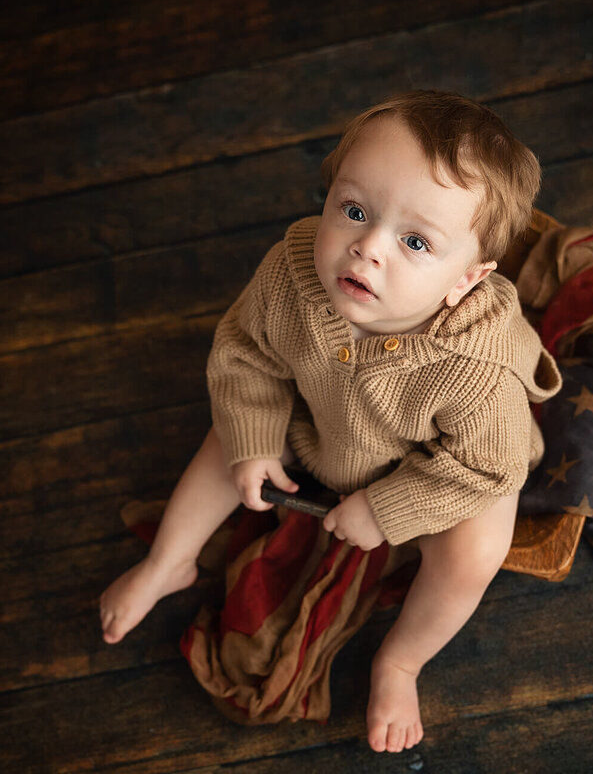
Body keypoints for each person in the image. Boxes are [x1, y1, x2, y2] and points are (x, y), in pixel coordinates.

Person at [99, 91, 561, 753]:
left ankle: (400, 663)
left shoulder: (474, 367)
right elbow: (244, 356)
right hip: (322, 426)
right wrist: (254, 441)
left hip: (445, 471)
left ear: (468, 278)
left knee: (474, 553)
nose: (367, 247)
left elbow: (489, 466)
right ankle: (168, 561)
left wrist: (388, 507)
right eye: (353, 210)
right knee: (225, 440)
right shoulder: (292, 269)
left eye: (414, 241)